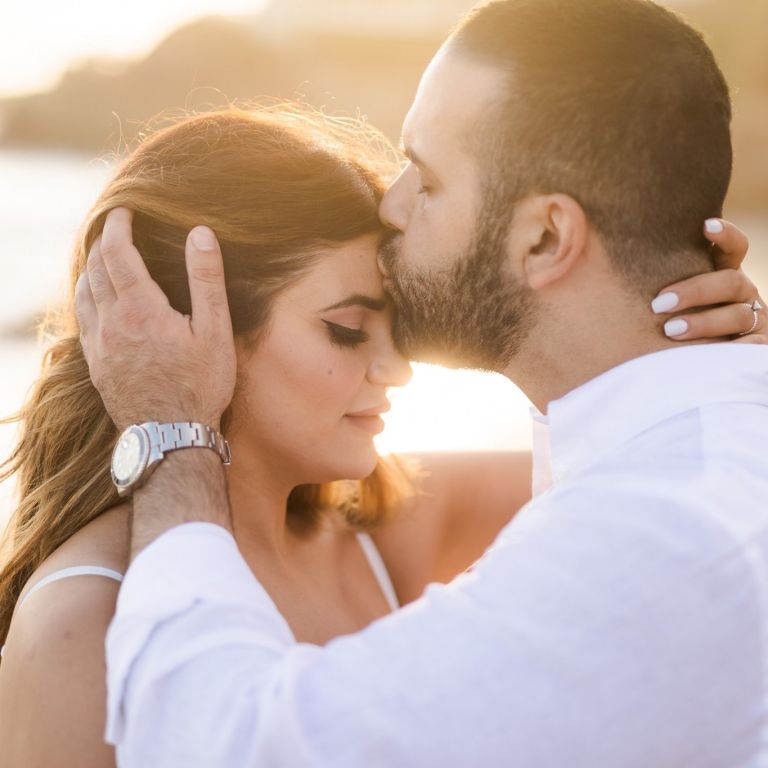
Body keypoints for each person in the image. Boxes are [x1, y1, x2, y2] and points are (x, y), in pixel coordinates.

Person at [77, 0, 768, 766]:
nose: (392, 204)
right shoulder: (704, 442)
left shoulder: (650, 544)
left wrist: (172, 429)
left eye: (429, 180)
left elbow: (218, 743)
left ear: (545, 238)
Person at [0, 108, 539, 768]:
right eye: (346, 329)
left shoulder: (382, 527)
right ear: (186, 330)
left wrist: (689, 323)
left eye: (395, 327)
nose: (396, 368)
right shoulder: (82, 621)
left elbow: (629, 456)